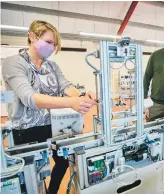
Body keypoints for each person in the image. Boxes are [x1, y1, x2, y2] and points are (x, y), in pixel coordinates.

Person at [2, 20, 97, 194]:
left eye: (54, 44)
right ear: (32, 36)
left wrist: (82, 97)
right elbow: (29, 97)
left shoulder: (51, 66)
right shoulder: (13, 63)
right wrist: (71, 103)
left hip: (53, 125)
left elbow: (66, 86)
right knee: (31, 173)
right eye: (48, 42)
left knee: (62, 161)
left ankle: (51, 191)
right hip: (26, 129)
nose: (52, 47)